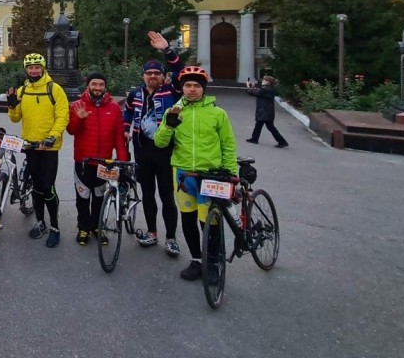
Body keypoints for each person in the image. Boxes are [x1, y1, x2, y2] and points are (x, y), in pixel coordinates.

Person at [153, 65, 237, 282]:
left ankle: (213, 262)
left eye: (196, 86)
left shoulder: (218, 114)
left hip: (211, 175)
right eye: (187, 85)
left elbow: (228, 146)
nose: (191, 90)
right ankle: (196, 260)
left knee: (209, 221)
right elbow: (160, 143)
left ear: (204, 89)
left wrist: (231, 174)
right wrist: (168, 127)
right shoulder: (174, 112)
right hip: (183, 174)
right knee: (188, 219)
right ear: (182, 88)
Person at [122, 30, 183, 256]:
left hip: (165, 151)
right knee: (147, 193)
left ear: (163, 76)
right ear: (143, 76)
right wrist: (126, 129)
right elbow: (127, 114)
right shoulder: (135, 94)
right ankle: (152, 232)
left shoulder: (171, 91)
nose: (153, 76)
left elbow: (181, 72)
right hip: (142, 150)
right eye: (149, 73)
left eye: (157, 73)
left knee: (167, 195)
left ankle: (171, 238)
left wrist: (167, 50)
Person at [7, 53, 70, 248]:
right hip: (30, 145)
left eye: (37, 67)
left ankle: (55, 227)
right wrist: (11, 105)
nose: (33, 70)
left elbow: (62, 116)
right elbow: (15, 118)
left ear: (43, 68)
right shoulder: (23, 90)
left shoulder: (54, 89)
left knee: (47, 187)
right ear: (26, 69)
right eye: (30, 67)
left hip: (49, 146)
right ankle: (40, 222)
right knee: (36, 187)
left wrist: (52, 136)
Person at [67, 72, 129, 246]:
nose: (97, 88)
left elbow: (119, 138)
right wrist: (78, 119)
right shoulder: (78, 105)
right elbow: (71, 131)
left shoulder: (115, 108)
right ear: (88, 85)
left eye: (101, 85)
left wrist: (122, 162)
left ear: (105, 87)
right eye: (94, 84)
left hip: (104, 163)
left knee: (100, 198)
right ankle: (83, 227)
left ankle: (97, 227)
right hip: (83, 161)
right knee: (83, 198)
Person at [245, 76, 288, 148]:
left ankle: (282, 141)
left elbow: (255, 93)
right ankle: (254, 139)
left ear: (268, 82)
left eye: (264, 80)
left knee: (270, 127)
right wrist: (252, 87)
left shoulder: (266, 89)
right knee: (259, 124)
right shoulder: (269, 88)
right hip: (266, 110)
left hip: (265, 111)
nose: (263, 81)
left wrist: (248, 86)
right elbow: (258, 91)